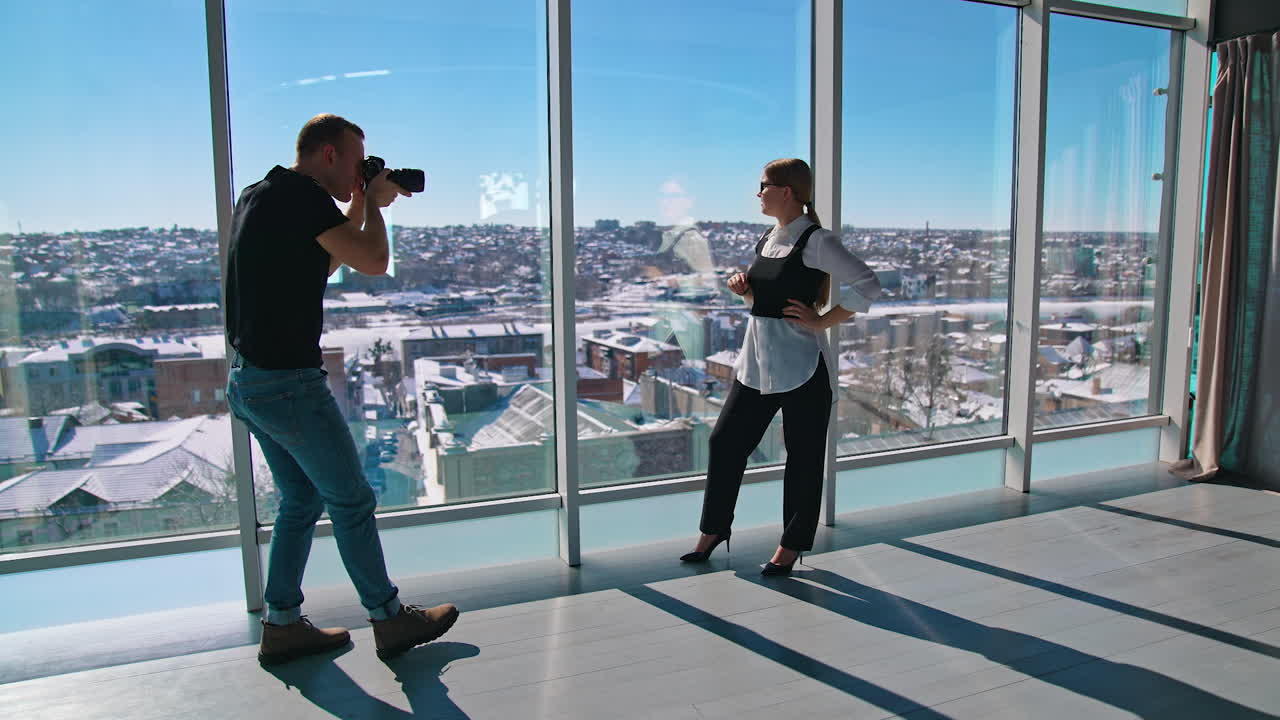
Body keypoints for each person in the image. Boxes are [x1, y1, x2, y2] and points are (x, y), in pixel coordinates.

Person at [225, 114, 458, 664]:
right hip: (287, 383)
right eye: (356, 161)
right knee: (351, 500)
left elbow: (331, 260)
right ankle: (388, 618)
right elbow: (374, 262)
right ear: (328, 155)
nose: (359, 171)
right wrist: (373, 204)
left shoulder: (264, 194)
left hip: (249, 381)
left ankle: (281, 625)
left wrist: (362, 202)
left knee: (301, 500)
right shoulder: (301, 197)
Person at [680, 158, 881, 576]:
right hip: (756, 363)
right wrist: (745, 291)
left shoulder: (817, 240)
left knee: (804, 459)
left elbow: (869, 283)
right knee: (725, 443)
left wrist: (821, 321)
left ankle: (791, 545)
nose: (758, 193)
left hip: (805, 366)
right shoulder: (768, 238)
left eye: (764, 185)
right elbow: (766, 305)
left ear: (787, 191)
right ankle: (714, 530)